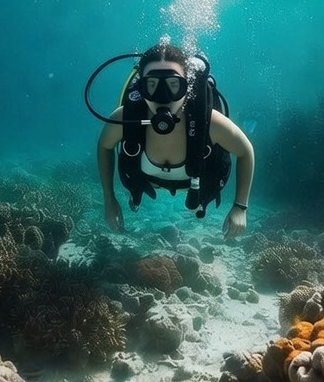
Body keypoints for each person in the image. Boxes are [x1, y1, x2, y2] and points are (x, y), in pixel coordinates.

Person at [96, 42, 254, 239]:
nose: (163, 98)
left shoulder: (210, 122)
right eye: (151, 85)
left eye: (173, 85)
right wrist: (109, 199)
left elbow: (245, 152)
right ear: (141, 87)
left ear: (187, 87)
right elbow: (104, 146)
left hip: (197, 185)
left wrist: (240, 207)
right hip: (149, 181)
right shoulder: (126, 118)